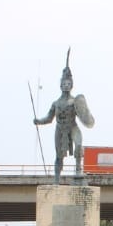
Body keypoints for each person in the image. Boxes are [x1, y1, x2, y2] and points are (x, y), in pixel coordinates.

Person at [33, 48, 95, 183]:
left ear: (71, 85)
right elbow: (49, 119)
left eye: (68, 84)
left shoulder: (75, 101)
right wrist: (38, 121)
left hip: (72, 126)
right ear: (60, 85)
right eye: (64, 84)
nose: (66, 86)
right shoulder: (56, 103)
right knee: (58, 156)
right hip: (60, 129)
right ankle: (56, 179)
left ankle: (78, 169)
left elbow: (84, 116)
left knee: (79, 144)